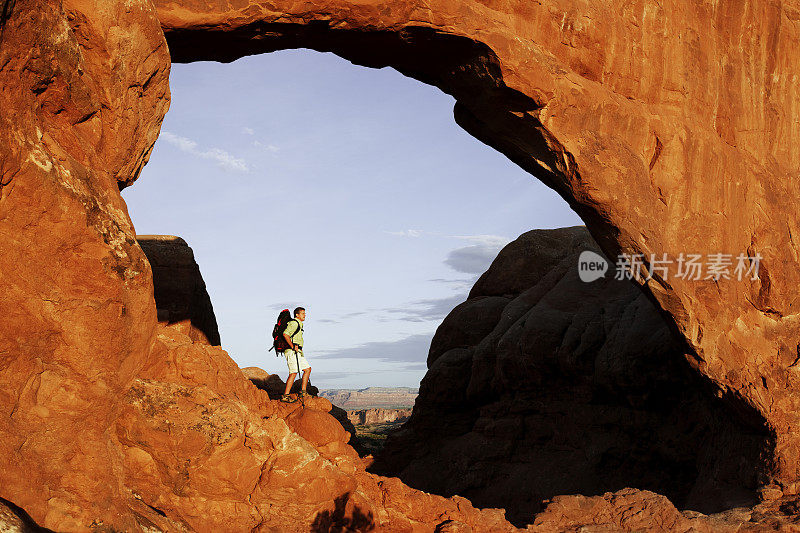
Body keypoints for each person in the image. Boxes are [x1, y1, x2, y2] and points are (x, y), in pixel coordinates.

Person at [280, 307, 311, 403]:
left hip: (298, 352)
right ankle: (285, 396)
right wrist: (292, 345)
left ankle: (303, 391)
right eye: (302, 313)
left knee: (307, 369)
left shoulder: (299, 324)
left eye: (304, 313)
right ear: (297, 315)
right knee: (293, 372)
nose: (304, 315)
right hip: (292, 351)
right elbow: (285, 334)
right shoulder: (294, 323)